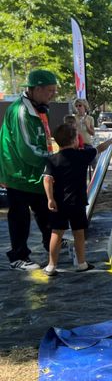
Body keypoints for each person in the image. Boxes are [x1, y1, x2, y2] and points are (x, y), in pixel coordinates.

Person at [0, 68, 57, 270]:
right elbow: (27, 149)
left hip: (35, 174)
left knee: (45, 212)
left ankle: (51, 244)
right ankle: (18, 256)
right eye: (50, 91)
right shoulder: (22, 112)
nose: (53, 95)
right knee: (20, 216)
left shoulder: (38, 109)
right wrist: (55, 161)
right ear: (36, 89)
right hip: (20, 173)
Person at [42, 124, 112, 276]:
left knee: (56, 234)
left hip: (59, 203)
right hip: (77, 202)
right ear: (74, 140)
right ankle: (81, 264)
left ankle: (51, 265)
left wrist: (50, 199)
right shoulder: (83, 155)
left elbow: (47, 180)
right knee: (79, 233)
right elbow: (99, 148)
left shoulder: (52, 159)